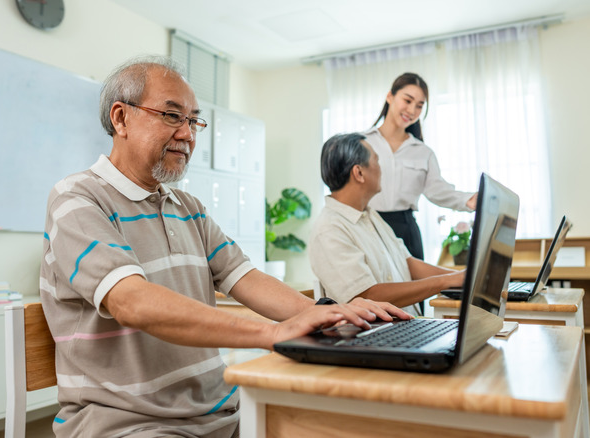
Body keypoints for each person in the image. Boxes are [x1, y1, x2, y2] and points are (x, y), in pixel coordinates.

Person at [39, 56, 410, 438]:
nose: (187, 134)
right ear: (121, 118)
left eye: (193, 120)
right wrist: (271, 334)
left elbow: (244, 277)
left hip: (220, 415)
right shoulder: (77, 199)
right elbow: (132, 302)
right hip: (129, 424)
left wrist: (330, 313)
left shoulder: (189, 209)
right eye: (171, 116)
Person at [309, 133, 465, 316]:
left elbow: (408, 263)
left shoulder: (370, 215)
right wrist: (445, 282)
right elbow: (368, 295)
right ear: (359, 173)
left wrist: (460, 278)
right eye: (376, 161)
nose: (381, 168)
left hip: (405, 327)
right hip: (373, 339)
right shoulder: (329, 230)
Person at [365, 72, 477, 261]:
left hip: (406, 231)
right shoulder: (362, 143)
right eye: (407, 100)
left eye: (419, 106)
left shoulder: (423, 152)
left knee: (414, 288)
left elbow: (437, 190)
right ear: (390, 96)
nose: (412, 110)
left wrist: (469, 200)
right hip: (369, 228)